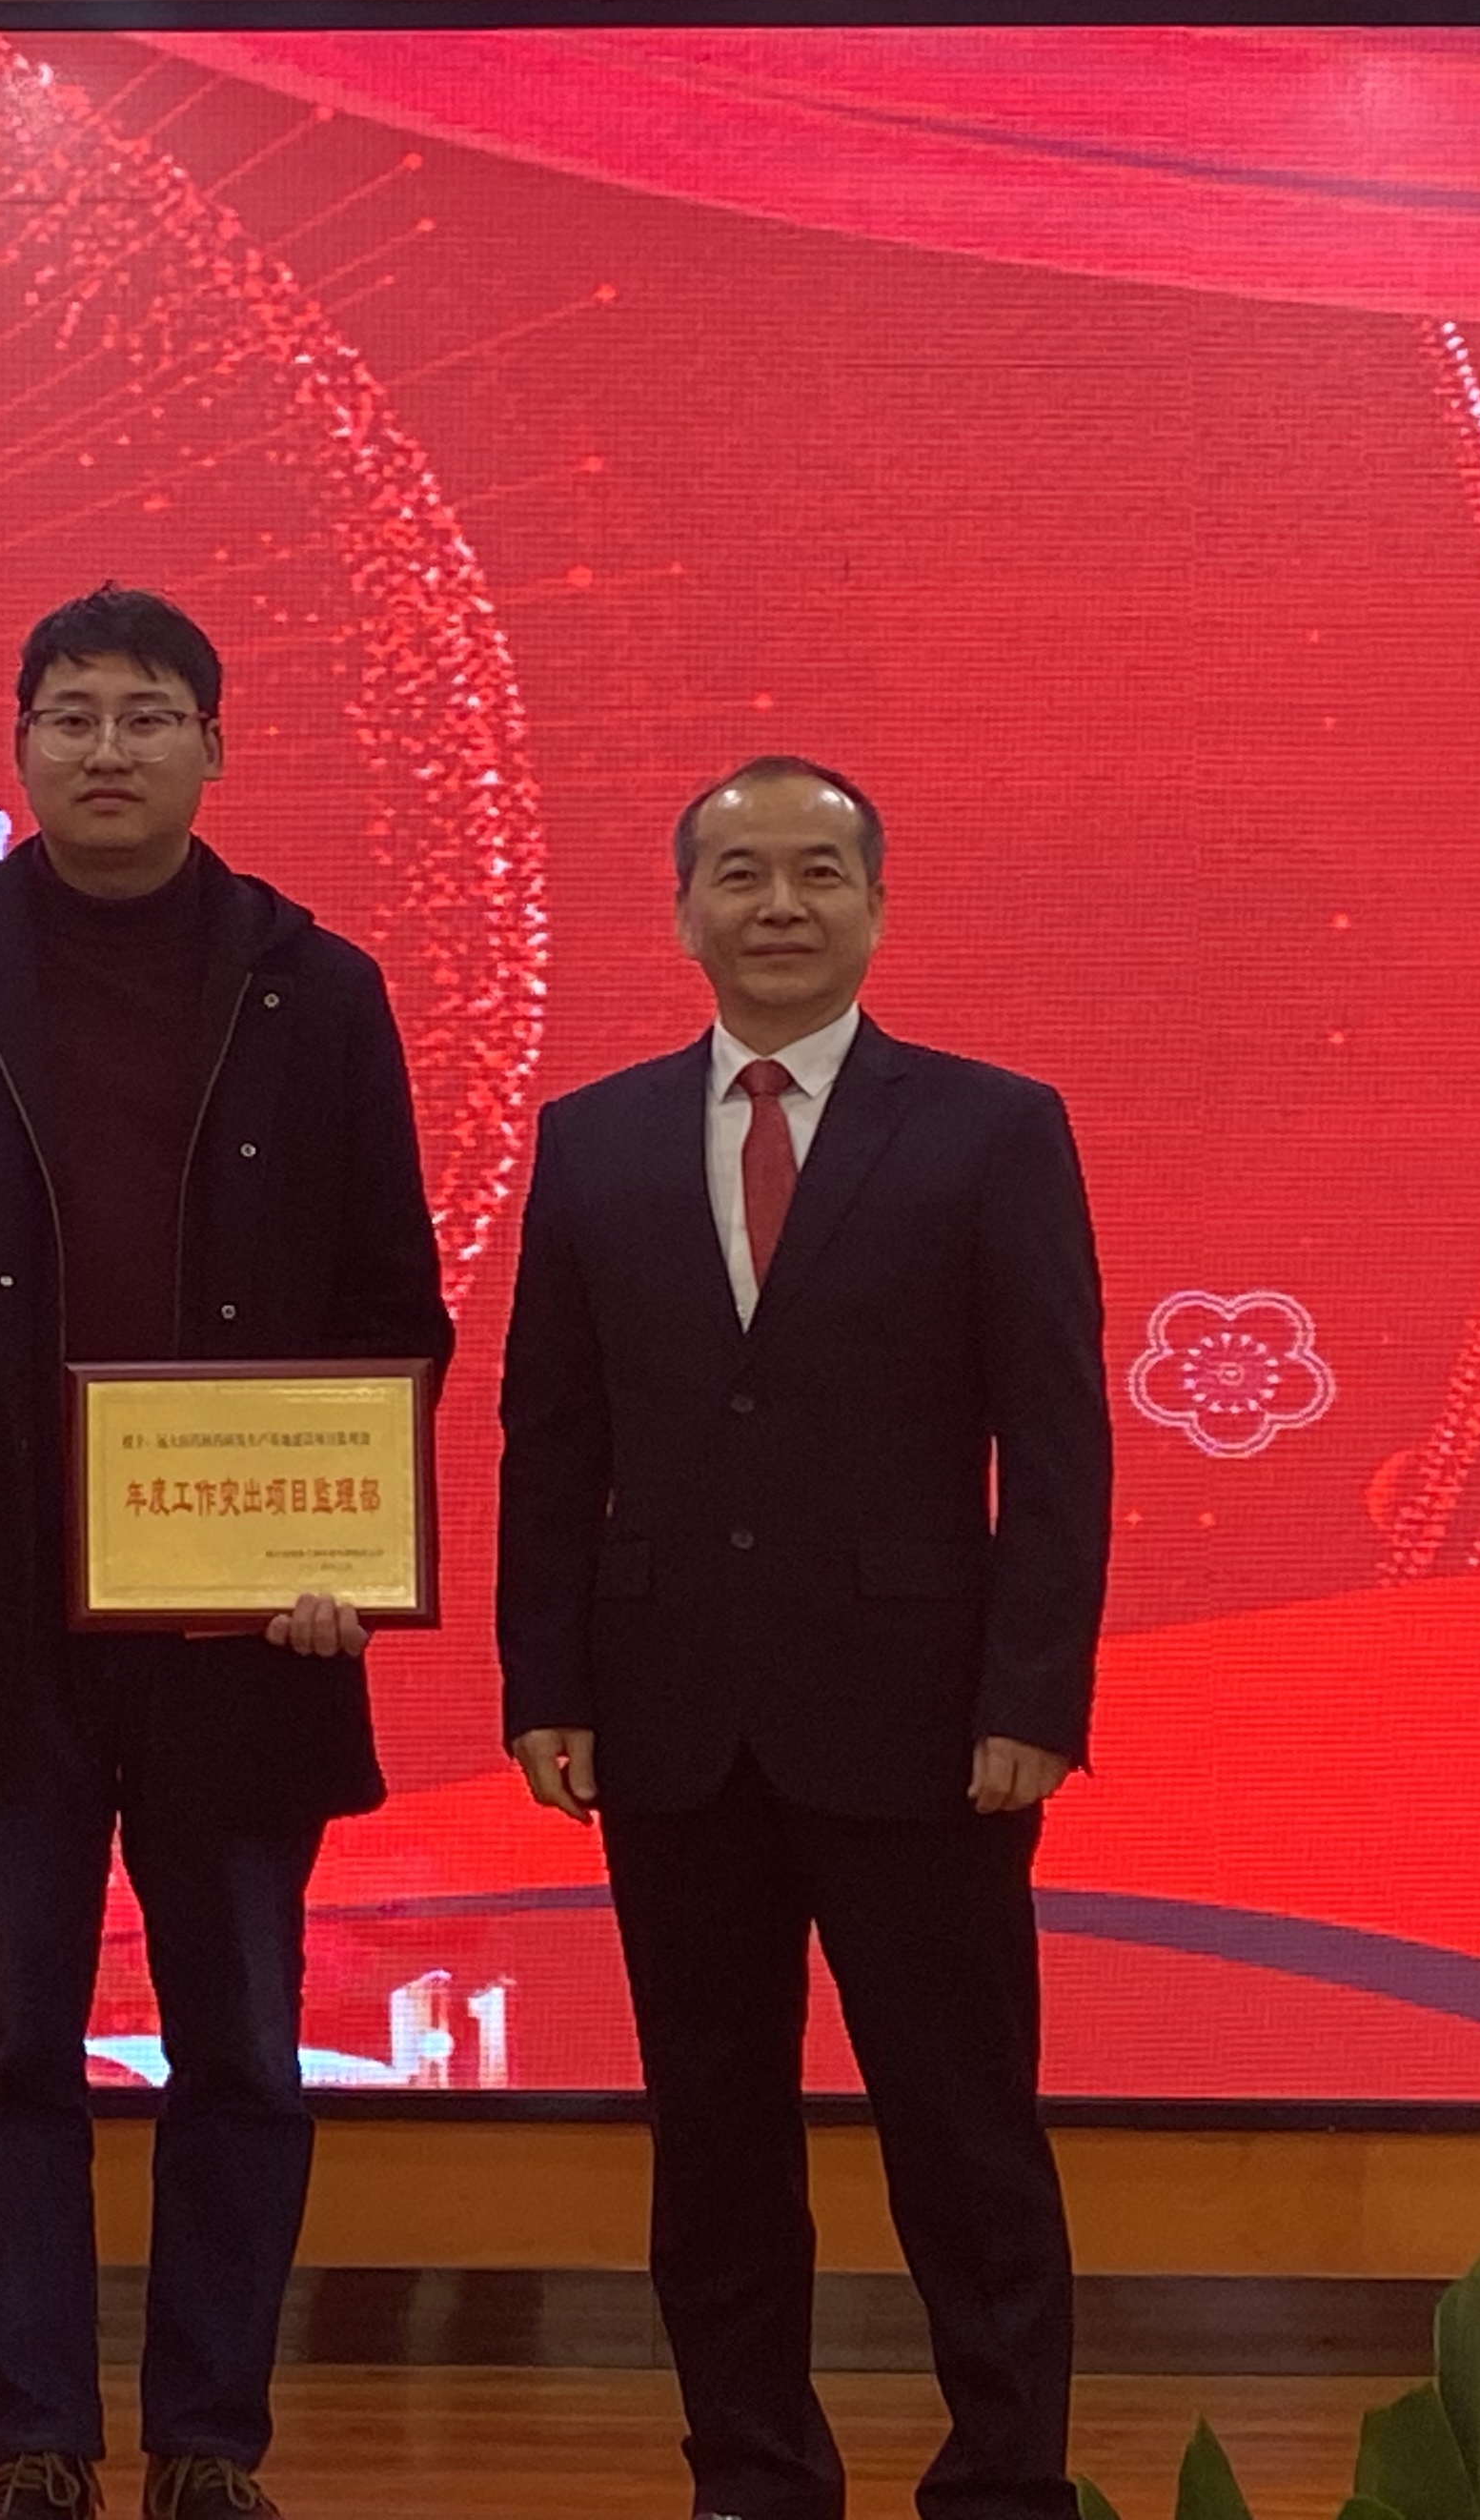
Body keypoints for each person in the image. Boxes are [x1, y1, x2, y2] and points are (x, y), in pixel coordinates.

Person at [0, 583, 451, 2520]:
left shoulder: (318, 988)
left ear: (213, 750)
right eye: (71, 715)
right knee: (8, 2035)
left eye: (147, 715)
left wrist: (346, 1548)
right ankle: (35, 2442)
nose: (108, 748)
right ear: (19, 750)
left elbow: (395, 1309)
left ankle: (209, 2443)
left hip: (246, 1620)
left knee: (240, 2042)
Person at [496, 757, 1106, 2520]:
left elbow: (1057, 1440)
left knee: (964, 2135)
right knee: (714, 2141)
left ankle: (1005, 2482)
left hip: (928, 1725)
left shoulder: (994, 1127)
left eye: (819, 873)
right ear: (683, 912)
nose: (780, 904)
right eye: (742, 873)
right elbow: (555, 1439)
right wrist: (546, 1684)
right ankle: (753, 2474)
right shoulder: (594, 1136)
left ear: (877, 908)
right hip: (672, 1722)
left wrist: (1033, 1696)